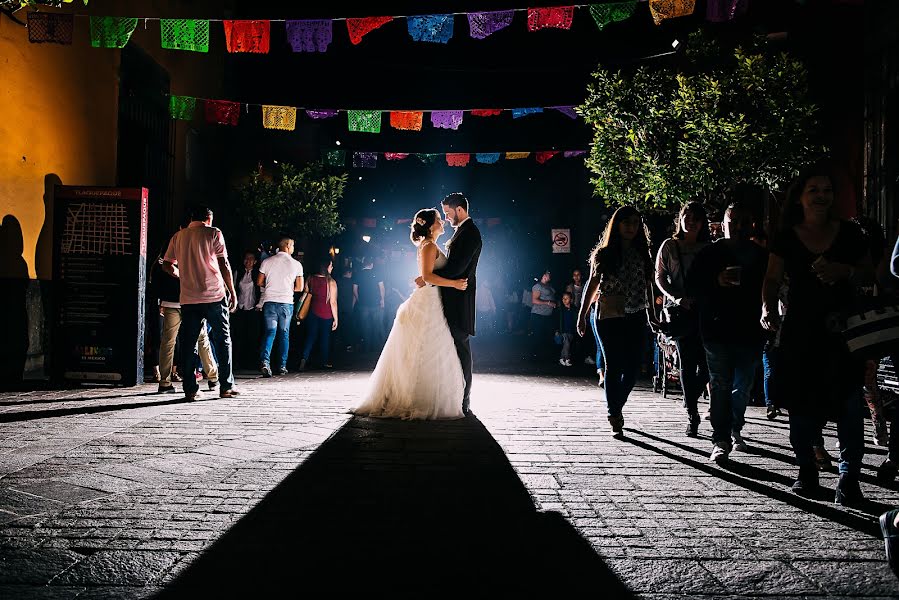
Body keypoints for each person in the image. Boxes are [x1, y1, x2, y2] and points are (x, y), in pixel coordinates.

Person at [762, 162, 872, 505]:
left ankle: (848, 478)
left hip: (844, 331)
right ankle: (806, 470)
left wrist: (846, 270)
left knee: (849, 405)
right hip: (801, 330)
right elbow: (771, 278)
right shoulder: (787, 236)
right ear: (801, 197)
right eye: (814, 190)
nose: (821, 196)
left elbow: (870, 275)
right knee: (801, 406)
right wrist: (767, 307)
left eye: (827, 190)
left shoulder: (851, 234)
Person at [352, 207, 469, 419]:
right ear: (429, 224)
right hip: (427, 302)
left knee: (427, 348)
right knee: (425, 347)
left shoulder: (430, 245)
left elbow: (427, 275)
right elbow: (427, 276)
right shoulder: (428, 246)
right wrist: (454, 283)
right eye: (439, 219)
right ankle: (417, 397)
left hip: (433, 300)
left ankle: (422, 394)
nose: (442, 222)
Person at [686, 202, 768, 463]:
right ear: (724, 224)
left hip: (750, 330)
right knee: (720, 383)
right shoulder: (710, 254)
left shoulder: (761, 255)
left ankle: (735, 427)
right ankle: (720, 439)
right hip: (716, 328)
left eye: (746, 221)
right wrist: (715, 281)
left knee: (742, 385)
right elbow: (692, 286)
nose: (741, 227)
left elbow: (772, 287)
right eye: (735, 221)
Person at [577, 206, 660, 436]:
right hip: (608, 315)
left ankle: (617, 404)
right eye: (626, 222)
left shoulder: (643, 253)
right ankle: (614, 412)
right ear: (617, 225)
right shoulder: (603, 254)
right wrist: (582, 315)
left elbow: (649, 287)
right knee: (613, 365)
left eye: (635, 223)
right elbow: (592, 285)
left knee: (633, 368)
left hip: (636, 314)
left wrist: (652, 314)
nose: (631, 227)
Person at [162, 206, 239, 400]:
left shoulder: (178, 236)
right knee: (223, 340)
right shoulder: (214, 233)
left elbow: (166, 263)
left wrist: (182, 276)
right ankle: (226, 386)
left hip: (189, 298)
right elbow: (224, 264)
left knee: (189, 343)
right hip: (214, 295)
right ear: (208, 219)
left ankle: (190, 389)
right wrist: (232, 290)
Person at [655, 201, 711, 437]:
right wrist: (677, 298)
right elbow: (660, 277)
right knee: (687, 363)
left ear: (702, 223)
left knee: (708, 365)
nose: (691, 221)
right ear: (680, 218)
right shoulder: (669, 246)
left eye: (696, 218)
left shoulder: (709, 248)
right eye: (687, 216)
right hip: (681, 311)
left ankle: (691, 399)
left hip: (706, 311)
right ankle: (692, 414)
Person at [434, 193, 483, 415]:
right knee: (454, 349)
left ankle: (464, 401)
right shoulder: (463, 232)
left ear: (460, 210)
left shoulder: (470, 233)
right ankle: (454, 397)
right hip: (453, 297)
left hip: (459, 300)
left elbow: (456, 268)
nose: (446, 217)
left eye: (448, 212)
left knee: (461, 350)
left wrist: (429, 274)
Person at [257, 237, 304, 377]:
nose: (294, 248)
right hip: (286, 303)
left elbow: (259, 281)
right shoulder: (296, 264)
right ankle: (282, 366)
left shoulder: (267, 261)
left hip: (270, 301)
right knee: (284, 334)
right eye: (293, 245)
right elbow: (299, 287)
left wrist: (272, 286)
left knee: (270, 332)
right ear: (288, 246)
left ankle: (265, 362)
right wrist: (286, 287)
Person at [300, 256, 338, 371]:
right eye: (331, 265)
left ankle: (304, 358)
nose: (332, 267)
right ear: (326, 267)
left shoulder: (310, 278)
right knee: (324, 338)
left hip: (312, 311)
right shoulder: (331, 282)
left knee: (310, 337)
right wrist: (336, 318)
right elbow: (333, 302)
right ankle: (324, 361)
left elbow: (305, 295)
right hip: (326, 314)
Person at [232, 250, 261, 371]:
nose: (248, 261)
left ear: (255, 262)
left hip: (253, 308)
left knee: (252, 336)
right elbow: (233, 287)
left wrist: (259, 305)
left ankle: (251, 362)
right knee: (238, 336)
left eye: (251, 259)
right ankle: (237, 362)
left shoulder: (257, 274)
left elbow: (260, 289)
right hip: (240, 308)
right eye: (246, 259)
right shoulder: (238, 273)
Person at [354, 257, 385, 352]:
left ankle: (367, 347)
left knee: (365, 326)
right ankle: (375, 348)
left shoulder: (358, 274)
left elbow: (354, 290)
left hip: (363, 305)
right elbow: (382, 288)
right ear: (371, 264)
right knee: (376, 325)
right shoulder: (377, 273)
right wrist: (382, 300)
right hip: (376, 304)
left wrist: (359, 300)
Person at [530, 270, 557, 357]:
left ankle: (544, 355)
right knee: (538, 335)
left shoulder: (549, 286)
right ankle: (535, 355)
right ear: (544, 275)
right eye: (548, 273)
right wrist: (548, 303)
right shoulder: (538, 286)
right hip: (538, 315)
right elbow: (534, 300)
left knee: (546, 335)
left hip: (548, 315)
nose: (550, 275)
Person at [557, 291, 576, 367]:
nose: (564, 300)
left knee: (566, 345)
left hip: (571, 330)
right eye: (563, 298)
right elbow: (557, 321)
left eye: (566, 298)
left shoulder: (574, 309)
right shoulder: (561, 309)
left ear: (571, 299)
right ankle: (567, 359)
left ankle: (562, 359)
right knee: (567, 343)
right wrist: (557, 330)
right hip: (563, 330)